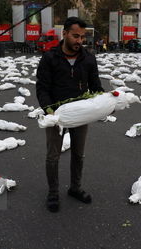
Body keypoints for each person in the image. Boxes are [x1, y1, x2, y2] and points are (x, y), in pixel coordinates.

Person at [36, 17, 104, 213]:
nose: (79, 41)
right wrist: (49, 110)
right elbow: (42, 88)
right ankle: (53, 192)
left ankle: (75, 188)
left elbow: (96, 87)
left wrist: (108, 101)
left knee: (78, 154)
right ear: (64, 33)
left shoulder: (89, 58)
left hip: (80, 114)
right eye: (75, 36)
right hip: (55, 114)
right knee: (53, 156)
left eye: (82, 37)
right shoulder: (50, 58)